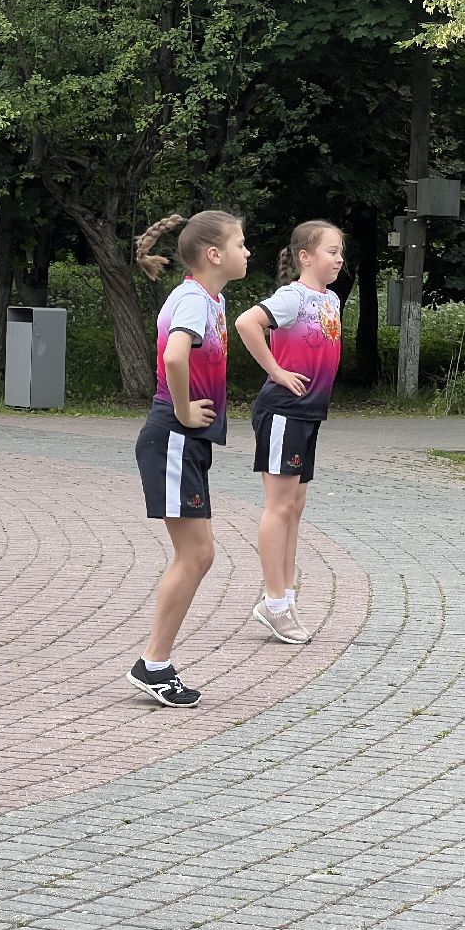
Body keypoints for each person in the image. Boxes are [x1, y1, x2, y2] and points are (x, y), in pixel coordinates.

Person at [125, 212, 249, 708]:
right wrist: (181, 409)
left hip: (184, 440)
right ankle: (153, 664)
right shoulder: (194, 299)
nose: (248, 252)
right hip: (173, 436)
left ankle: (155, 662)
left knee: (199, 554)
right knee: (196, 555)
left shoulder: (208, 298)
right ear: (214, 255)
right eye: (241, 243)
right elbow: (175, 356)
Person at [234, 219, 344, 645]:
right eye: (331, 251)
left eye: (341, 251)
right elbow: (246, 323)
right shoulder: (292, 297)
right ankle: (274, 603)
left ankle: (285, 597)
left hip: (308, 414)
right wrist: (276, 371)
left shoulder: (331, 299)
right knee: (279, 507)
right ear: (305, 256)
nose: (339, 258)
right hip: (283, 412)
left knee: (294, 507)